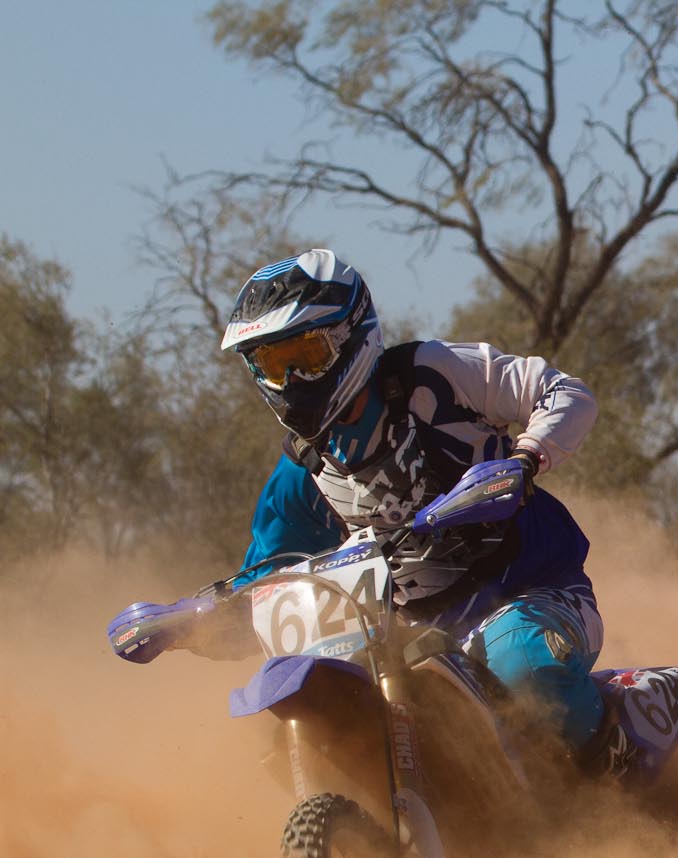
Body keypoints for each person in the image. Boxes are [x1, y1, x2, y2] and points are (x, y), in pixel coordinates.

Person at [117, 249, 612, 765]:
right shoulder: (301, 474)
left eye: (305, 357)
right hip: (404, 632)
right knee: (322, 706)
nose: (291, 383)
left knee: (521, 661)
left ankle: (611, 777)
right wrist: (187, 623)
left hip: (532, 589)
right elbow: (270, 583)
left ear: (353, 336)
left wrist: (526, 458)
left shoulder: (436, 377)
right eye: (272, 364)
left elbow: (562, 392)